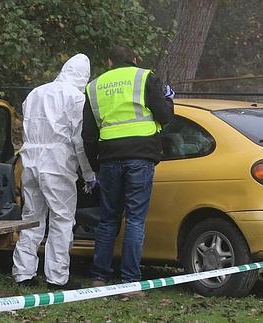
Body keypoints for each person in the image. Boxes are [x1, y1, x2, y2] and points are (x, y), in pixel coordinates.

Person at [82, 45, 174, 297]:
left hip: (109, 159)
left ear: (109, 61)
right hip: (140, 157)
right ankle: (131, 284)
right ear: (134, 59)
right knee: (134, 219)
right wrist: (168, 98)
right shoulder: (145, 77)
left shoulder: (94, 86)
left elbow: (87, 136)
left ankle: (99, 279)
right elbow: (165, 117)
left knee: (108, 219)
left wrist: (96, 166)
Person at [12, 53, 96, 290]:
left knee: (31, 218)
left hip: (30, 161)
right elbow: (79, 142)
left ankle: (23, 273)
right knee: (61, 219)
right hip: (58, 164)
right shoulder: (76, 98)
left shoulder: (35, 93)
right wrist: (89, 175)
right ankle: (57, 278)